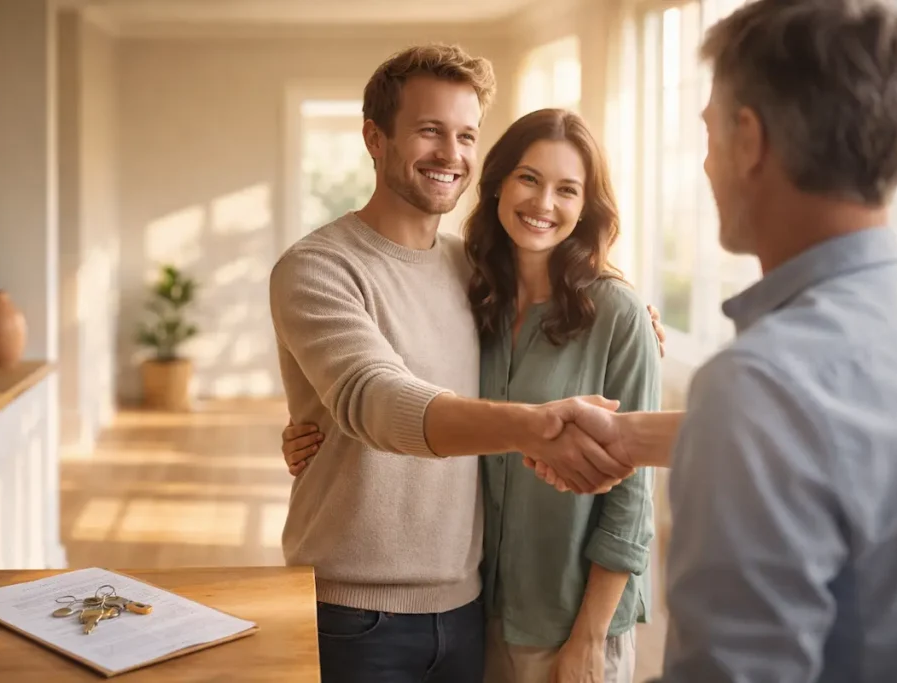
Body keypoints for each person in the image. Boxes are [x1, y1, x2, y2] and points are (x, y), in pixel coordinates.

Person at [523, 1, 897, 680]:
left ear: (748, 139)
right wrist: (633, 437)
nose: (704, 165)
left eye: (708, 133)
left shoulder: (760, 384)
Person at [268, 45, 664, 683]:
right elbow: (376, 398)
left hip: (467, 609)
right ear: (375, 137)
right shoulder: (317, 268)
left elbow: (562, 292)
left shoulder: (472, 273)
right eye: (429, 130)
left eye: (466, 135)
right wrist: (534, 425)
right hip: (355, 613)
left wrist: (626, 309)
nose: (450, 154)